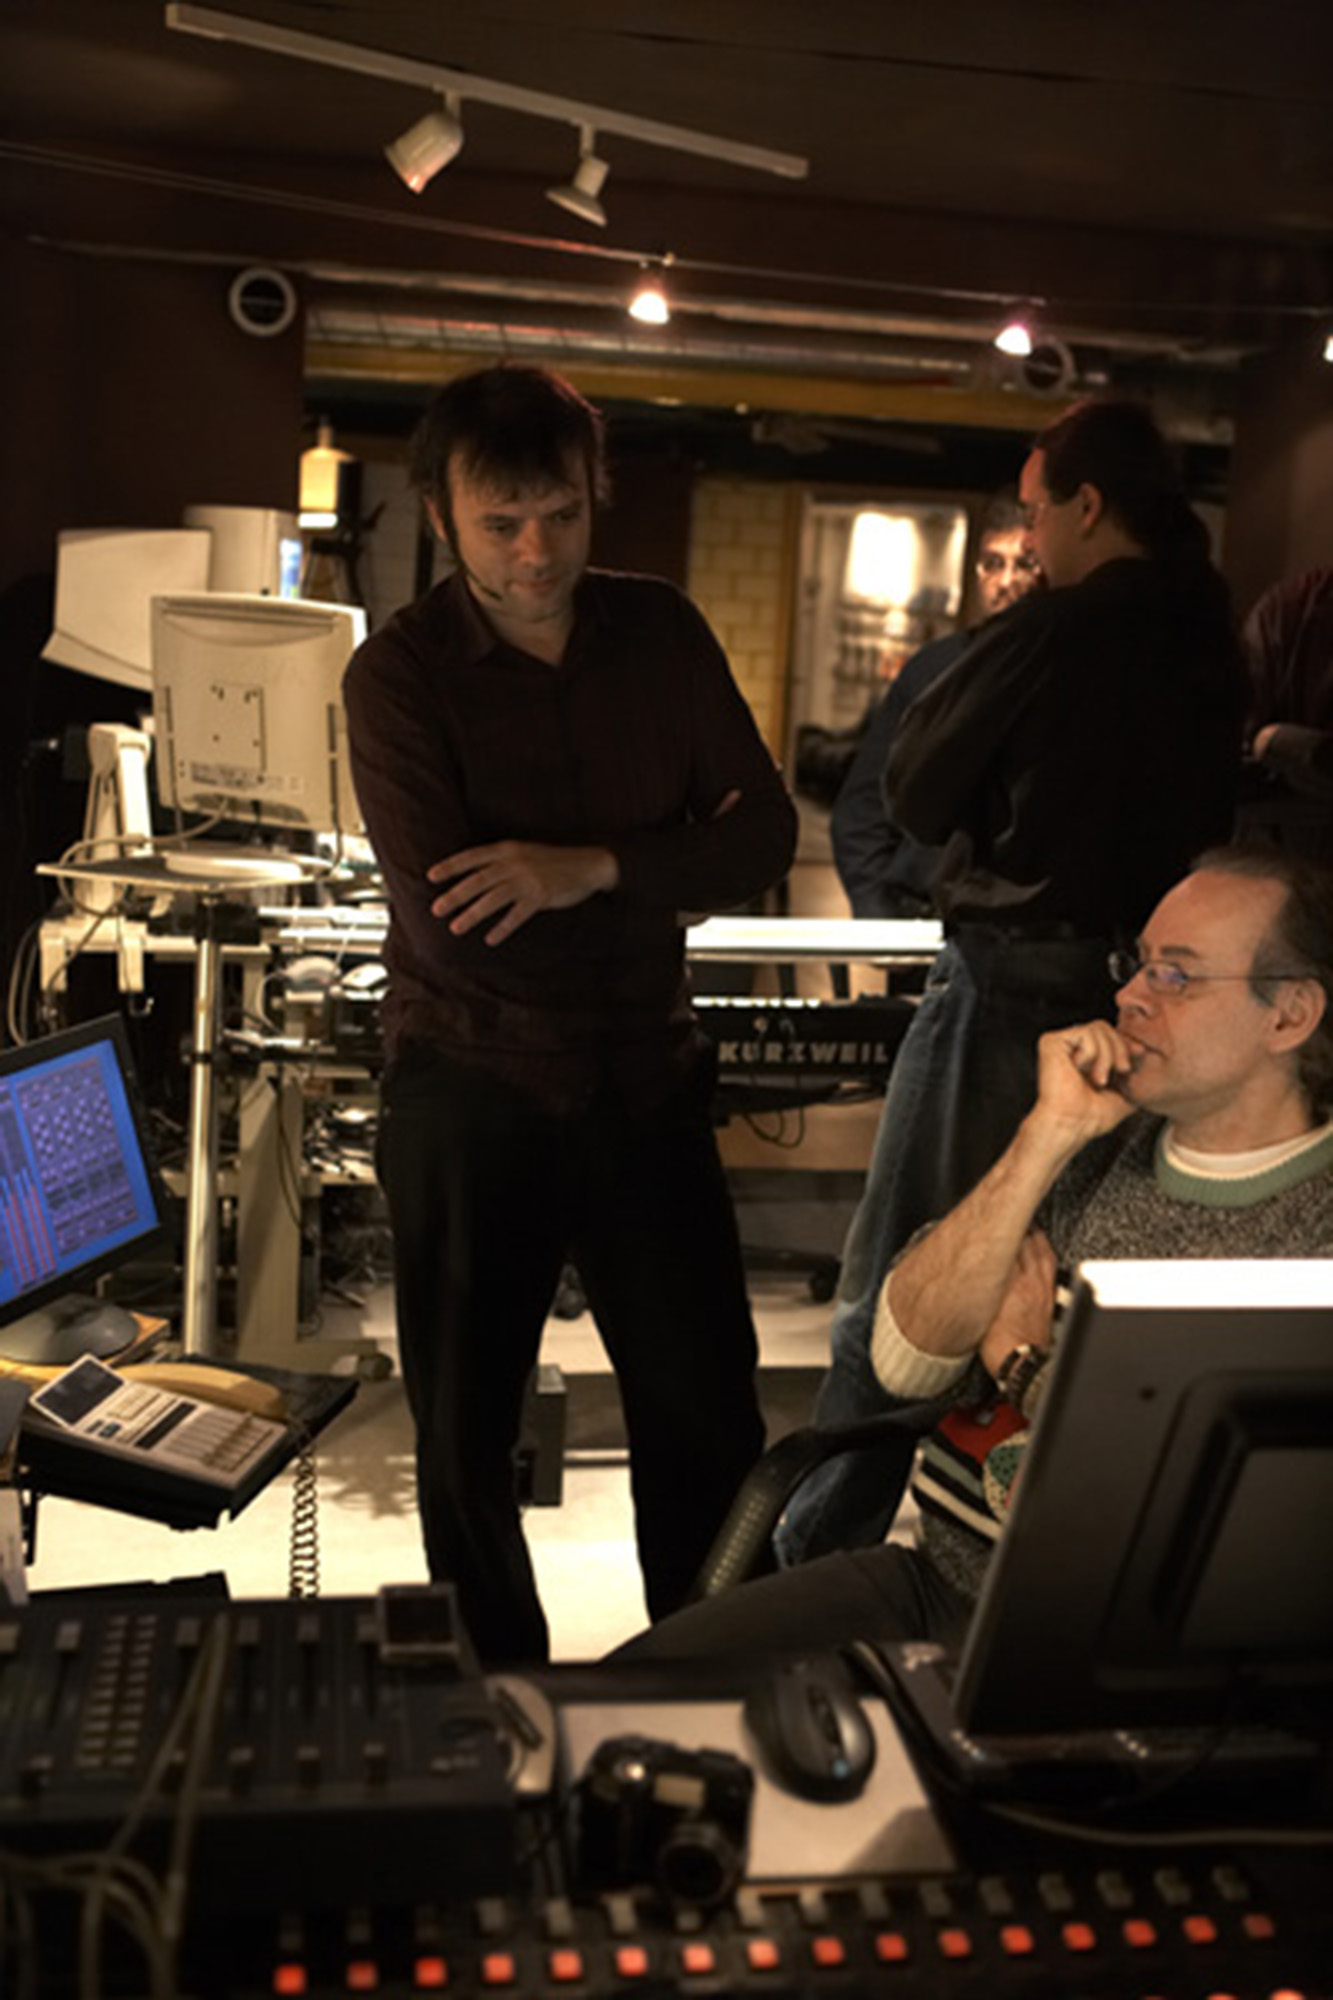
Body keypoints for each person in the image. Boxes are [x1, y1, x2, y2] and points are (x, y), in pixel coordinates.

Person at [343, 363, 798, 1663]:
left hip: (645, 1081)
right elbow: (453, 925)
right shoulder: (400, 674)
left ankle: (710, 1677)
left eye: (561, 515)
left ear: (595, 497)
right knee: (465, 1435)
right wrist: (667, 869)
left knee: (707, 1419)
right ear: (442, 514)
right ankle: (501, 1705)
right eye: (501, 524)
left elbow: (763, 834)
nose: (536, 553)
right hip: (471, 1083)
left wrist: (584, 867)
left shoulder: (659, 630)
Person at [618, 846, 1333, 1661]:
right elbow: (906, 1361)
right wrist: (1043, 1138)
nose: (1129, 995)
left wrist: (1023, 1366)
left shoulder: (1312, 1231)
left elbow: (1178, 1506)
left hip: (1106, 1638)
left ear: (1289, 1016)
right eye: (1136, 964)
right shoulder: (1094, 1145)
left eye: (1176, 975)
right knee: (639, 1686)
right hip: (937, 1584)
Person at [777, 397, 1244, 1566]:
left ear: (1086, 504)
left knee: (900, 1289)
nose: (1027, 538)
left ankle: (804, 1570)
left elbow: (913, 791)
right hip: (1151, 995)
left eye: (1035, 512)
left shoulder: (1054, 628)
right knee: (1073, 1281)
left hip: (1008, 979)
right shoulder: (1207, 634)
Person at [831, 493, 1039, 919]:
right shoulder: (934, 668)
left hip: (1012, 922)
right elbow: (863, 805)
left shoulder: (1063, 670)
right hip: (920, 914)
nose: (1005, 581)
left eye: (1023, 564)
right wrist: (877, 914)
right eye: (993, 564)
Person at [1237, 566, 1333, 861]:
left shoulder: (1291, 607)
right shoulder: (1292, 607)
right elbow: (1238, 743)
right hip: (1277, 860)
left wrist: (1279, 741)